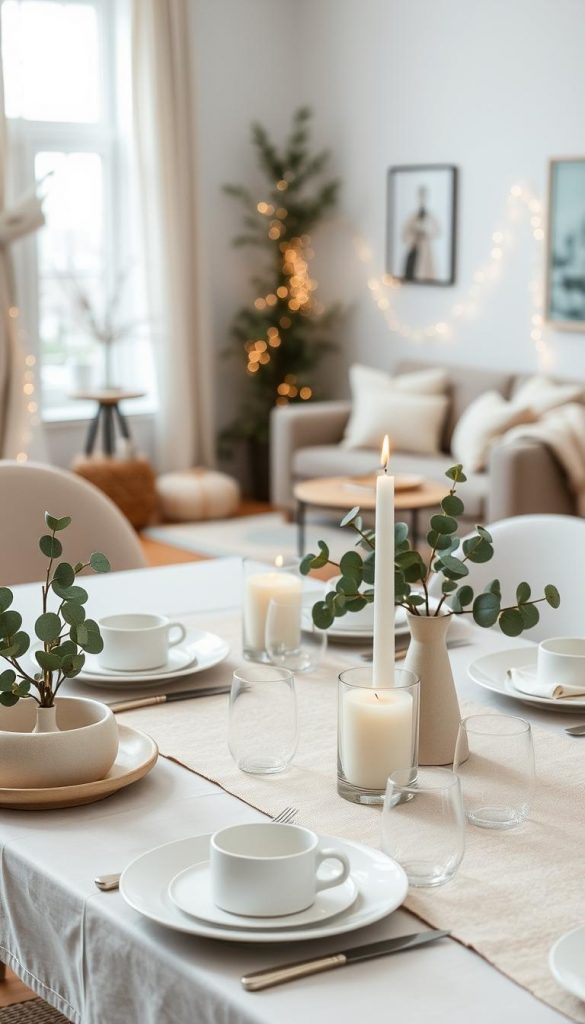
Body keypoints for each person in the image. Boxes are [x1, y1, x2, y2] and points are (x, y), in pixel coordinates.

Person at [401, 185, 441, 281]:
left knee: (425, 270)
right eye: (420, 196)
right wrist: (413, 240)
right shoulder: (413, 216)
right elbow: (405, 232)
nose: (422, 198)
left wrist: (425, 233)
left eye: (424, 196)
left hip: (425, 248)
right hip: (415, 247)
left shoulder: (430, 216)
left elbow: (436, 231)